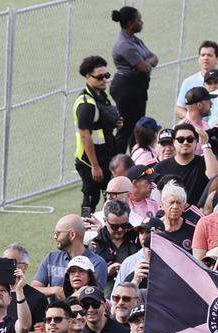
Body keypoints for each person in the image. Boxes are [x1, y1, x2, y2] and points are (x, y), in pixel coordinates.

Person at [74, 56, 120, 215]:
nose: (104, 80)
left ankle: (108, 229)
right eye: (99, 77)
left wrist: (115, 123)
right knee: (91, 200)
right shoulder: (86, 104)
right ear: (87, 77)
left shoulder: (101, 96)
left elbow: (101, 123)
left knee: (112, 198)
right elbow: (85, 135)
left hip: (106, 158)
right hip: (90, 162)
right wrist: (95, 166)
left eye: (106, 76)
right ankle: (85, 233)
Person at [109, 6, 157, 154]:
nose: (141, 22)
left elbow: (154, 57)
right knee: (126, 129)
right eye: (139, 20)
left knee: (137, 127)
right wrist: (146, 63)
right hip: (126, 89)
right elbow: (145, 67)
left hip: (137, 88)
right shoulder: (124, 44)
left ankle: (135, 158)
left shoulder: (134, 40)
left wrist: (146, 62)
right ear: (130, 24)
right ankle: (117, 163)